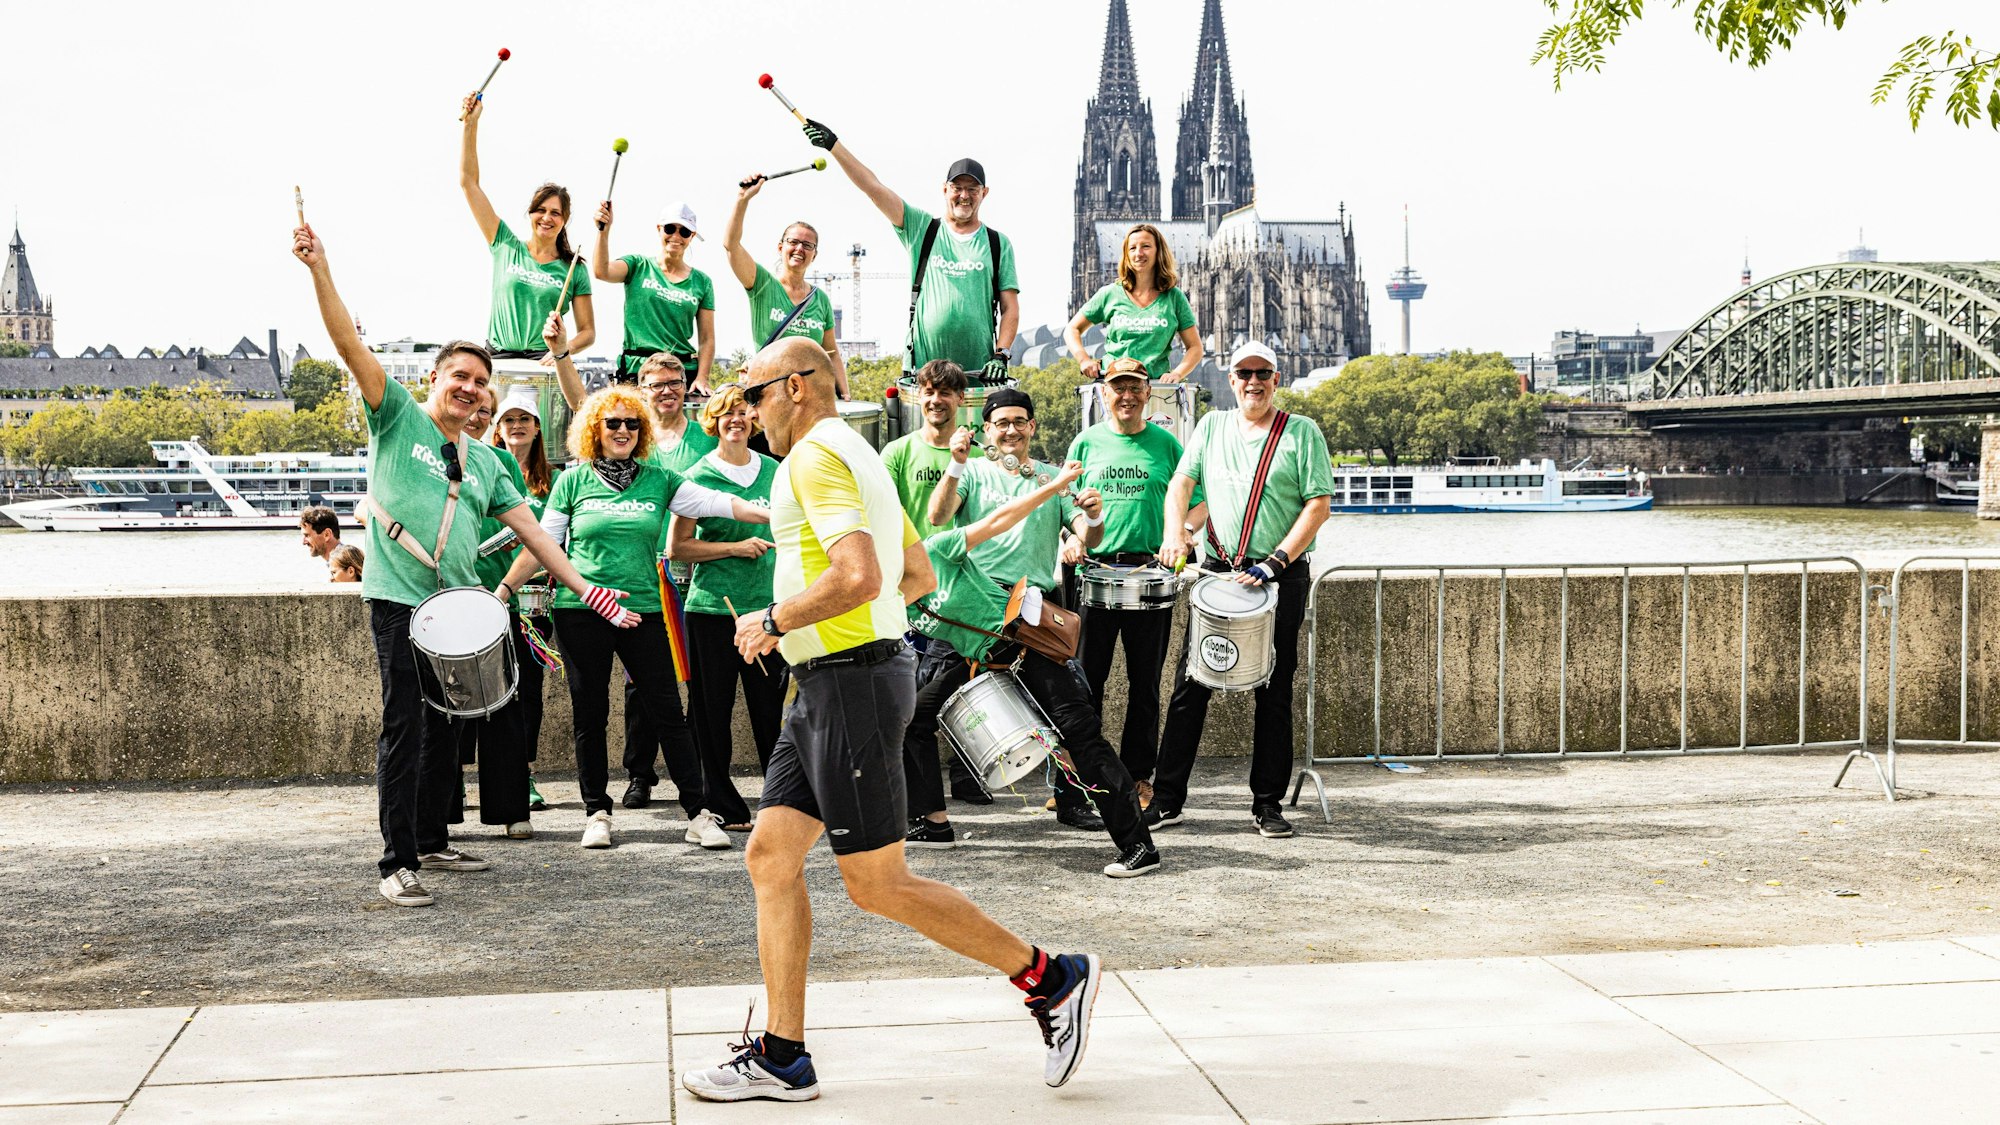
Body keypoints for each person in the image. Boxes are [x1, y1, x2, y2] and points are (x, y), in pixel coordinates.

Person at [678, 337, 1103, 1103]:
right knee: (772, 855)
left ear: (798, 387)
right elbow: (917, 574)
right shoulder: (861, 454)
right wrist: (853, 636)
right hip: (832, 683)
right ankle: (783, 1055)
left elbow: (861, 575)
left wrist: (775, 617)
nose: (745, 408)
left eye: (755, 393)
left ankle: (1052, 977)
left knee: (877, 883)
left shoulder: (813, 457)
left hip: (851, 688)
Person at [294, 220, 635, 910]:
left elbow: (536, 536)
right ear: (434, 379)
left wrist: (586, 590)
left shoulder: (488, 460)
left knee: (448, 729)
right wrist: (319, 269)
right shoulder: (395, 417)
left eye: (481, 382)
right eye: (461, 377)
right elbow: (344, 341)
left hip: (453, 607)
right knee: (405, 728)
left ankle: (430, 838)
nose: (472, 389)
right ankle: (396, 861)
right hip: (396, 598)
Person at [497, 348, 771, 852]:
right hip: (581, 612)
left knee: (669, 710)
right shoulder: (572, 481)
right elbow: (543, 545)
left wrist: (773, 513)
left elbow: (715, 503)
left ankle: (698, 813)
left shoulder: (660, 480)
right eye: (611, 423)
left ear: (640, 429)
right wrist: (503, 591)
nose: (621, 430)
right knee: (590, 712)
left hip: (642, 609)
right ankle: (597, 811)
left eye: (629, 423)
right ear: (594, 431)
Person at [902, 456, 1161, 878]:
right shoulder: (894, 599)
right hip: (983, 661)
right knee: (914, 718)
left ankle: (1138, 846)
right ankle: (933, 823)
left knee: (1083, 740)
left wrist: (1054, 485)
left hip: (1026, 647)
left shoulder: (937, 552)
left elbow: (1003, 518)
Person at [1151, 342, 1334, 839]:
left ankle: (1267, 804)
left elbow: (1318, 505)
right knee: (1190, 688)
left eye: (1263, 373)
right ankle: (1167, 800)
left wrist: (1276, 562)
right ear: (1230, 380)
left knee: (1274, 690)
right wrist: (1175, 532)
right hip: (1219, 575)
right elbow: (1180, 487)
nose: (1253, 382)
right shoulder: (1211, 427)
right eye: (1243, 374)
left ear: (1277, 379)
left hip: (1280, 577)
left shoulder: (1301, 432)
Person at [924, 388, 1107, 828]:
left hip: (1031, 610)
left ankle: (1071, 801)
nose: (1010, 430)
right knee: (927, 707)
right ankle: (937, 807)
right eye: (1001, 422)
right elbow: (937, 515)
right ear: (987, 429)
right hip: (975, 610)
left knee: (1068, 707)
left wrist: (1094, 516)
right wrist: (955, 463)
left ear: (1032, 427)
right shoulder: (970, 472)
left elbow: (1089, 535)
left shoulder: (1052, 478)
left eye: (1019, 421)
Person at [1063, 358, 1205, 802]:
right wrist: (1072, 535)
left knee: (1145, 686)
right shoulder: (1084, 443)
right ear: (1104, 394)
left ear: (1148, 394)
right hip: (1095, 575)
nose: (1126, 396)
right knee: (1087, 682)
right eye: (1117, 388)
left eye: (1135, 388)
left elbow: (1199, 504)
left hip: (1150, 576)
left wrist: (1181, 532)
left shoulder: (1166, 444)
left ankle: (1139, 777)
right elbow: (1063, 506)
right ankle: (1085, 778)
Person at [801, 119, 1017, 381]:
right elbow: (873, 188)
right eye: (957, 188)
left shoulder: (997, 243)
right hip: (926, 375)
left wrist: (1001, 354)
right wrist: (834, 146)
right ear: (945, 189)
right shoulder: (922, 228)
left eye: (972, 189)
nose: (964, 195)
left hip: (979, 373)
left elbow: (1010, 308)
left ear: (984, 193)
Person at [667, 384, 781, 833]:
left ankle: (781, 803)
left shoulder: (775, 470)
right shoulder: (696, 475)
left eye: (743, 411)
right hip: (714, 611)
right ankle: (722, 805)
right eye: (725, 412)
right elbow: (677, 547)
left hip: (770, 612)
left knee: (771, 709)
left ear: (754, 419)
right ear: (710, 422)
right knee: (711, 713)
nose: (735, 418)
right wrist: (733, 548)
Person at [878, 359, 985, 805]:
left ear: (961, 400)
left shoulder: (977, 457)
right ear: (916, 397)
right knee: (911, 688)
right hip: (909, 589)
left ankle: (967, 776)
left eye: (945, 393)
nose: (936, 400)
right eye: (928, 391)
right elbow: (881, 516)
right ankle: (911, 786)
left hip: (962, 589)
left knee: (965, 684)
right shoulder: (897, 452)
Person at [458, 91, 594, 390]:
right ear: (530, 213)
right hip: (497, 360)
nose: (547, 218)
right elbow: (469, 184)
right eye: (541, 210)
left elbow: (588, 332)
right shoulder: (504, 243)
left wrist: (560, 350)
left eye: (555, 213)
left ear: (565, 219)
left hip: (541, 364)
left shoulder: (574, 268)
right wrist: (471, 125)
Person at [723, 173, 846, 398]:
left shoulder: (821, 300)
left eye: (808, 245)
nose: (800, 249)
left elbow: (831, 353)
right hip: (770, 394)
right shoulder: (761, 283)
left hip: (810, 396)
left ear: (814, 255)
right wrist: (743, 199)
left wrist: (845, 395)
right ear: (780, 247)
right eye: (793, 242)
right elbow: (731, 245)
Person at [492, 386, 556, 813]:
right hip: (487, 597)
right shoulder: (484, 470)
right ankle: (459, 778)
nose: (516, 427)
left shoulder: (553, 483)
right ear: (498, 428)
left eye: (524, 420)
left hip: (534, 605)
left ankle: (525, 772)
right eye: (508, 420)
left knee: (528, 691)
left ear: (537, 427)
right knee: (474, 692)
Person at [593, 197, 714, 393]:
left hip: (679, 375)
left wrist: (702, 377)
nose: (676, 236)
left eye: (683, 231)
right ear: (659, 229)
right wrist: (603, 232)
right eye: (669, 229)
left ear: (692, 236)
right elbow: (602, 271)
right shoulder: (637, 265)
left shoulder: (702, 282)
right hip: (637, 372)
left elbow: (707, 338)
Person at [1064, 223, 1202, 383]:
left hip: (1155, 387)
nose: (1139, 253)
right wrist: (1084, 360)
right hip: (1113, 386)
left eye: (1146, 246)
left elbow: (1195, 347)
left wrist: (1177, 373)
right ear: (1126, 254)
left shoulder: (1174, 297)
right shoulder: (1110, 293)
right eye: (1132, 248)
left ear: (1159, 252)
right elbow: (1072, 329)